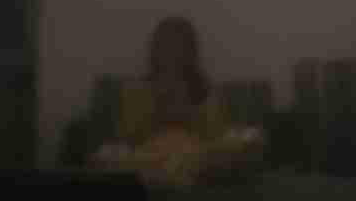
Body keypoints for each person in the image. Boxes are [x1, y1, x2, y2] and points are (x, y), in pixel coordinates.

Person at [92, 17, 258, 187]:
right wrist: (156, 116)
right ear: (155, 51)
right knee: (108, 155)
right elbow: (126, 139)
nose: (172, 53)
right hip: (149, 156)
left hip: (194, 155)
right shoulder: (135, 91)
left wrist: (188, 116)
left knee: (244, 141)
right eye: (166, 46)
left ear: (190, 52)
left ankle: (173, 174)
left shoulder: (207, 92)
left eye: (179, 46)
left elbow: (215, 137)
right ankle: (171, 175)